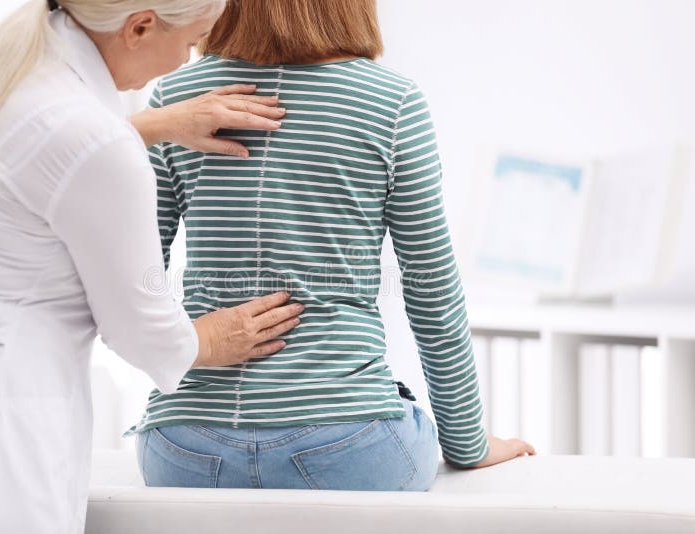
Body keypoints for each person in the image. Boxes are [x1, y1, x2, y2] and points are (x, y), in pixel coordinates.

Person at [0, 1, 303, 532]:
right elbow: (140, 328)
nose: (188, 62)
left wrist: (153, 124)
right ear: (139, 26)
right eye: (190, 42)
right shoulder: (93, 139)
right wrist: (210, 337)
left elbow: (35, 155)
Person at [132, 0, 535, 491]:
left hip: (182, 448)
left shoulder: (176, 100)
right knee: (400, 417)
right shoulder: (392, 102)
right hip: (349, 446)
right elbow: (432, 289)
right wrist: (469, 443)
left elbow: (131, 276)